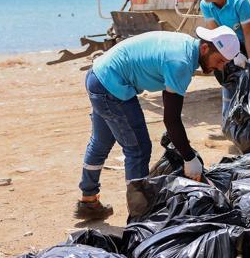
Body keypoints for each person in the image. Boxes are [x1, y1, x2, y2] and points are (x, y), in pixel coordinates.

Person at [75, 26, 240, 221]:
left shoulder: (186, 46)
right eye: (219, 60)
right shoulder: (180, 63)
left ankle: (88, 200)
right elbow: (171, 119)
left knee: (101, 142)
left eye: (225, 63)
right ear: (205, 48)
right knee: (138, 148)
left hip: (98, 75)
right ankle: (140, 217)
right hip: (112, 86)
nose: (220, 67)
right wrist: (188, 157)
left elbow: (171, 113)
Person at [188, 0, 250, 117]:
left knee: (245, 80)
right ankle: (233, 114)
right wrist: (232, 55)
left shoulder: (239, 0)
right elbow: (214, 32)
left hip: (244, 43)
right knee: (225, 76)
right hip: (224, 43)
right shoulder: (206, 5)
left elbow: (248, 33)